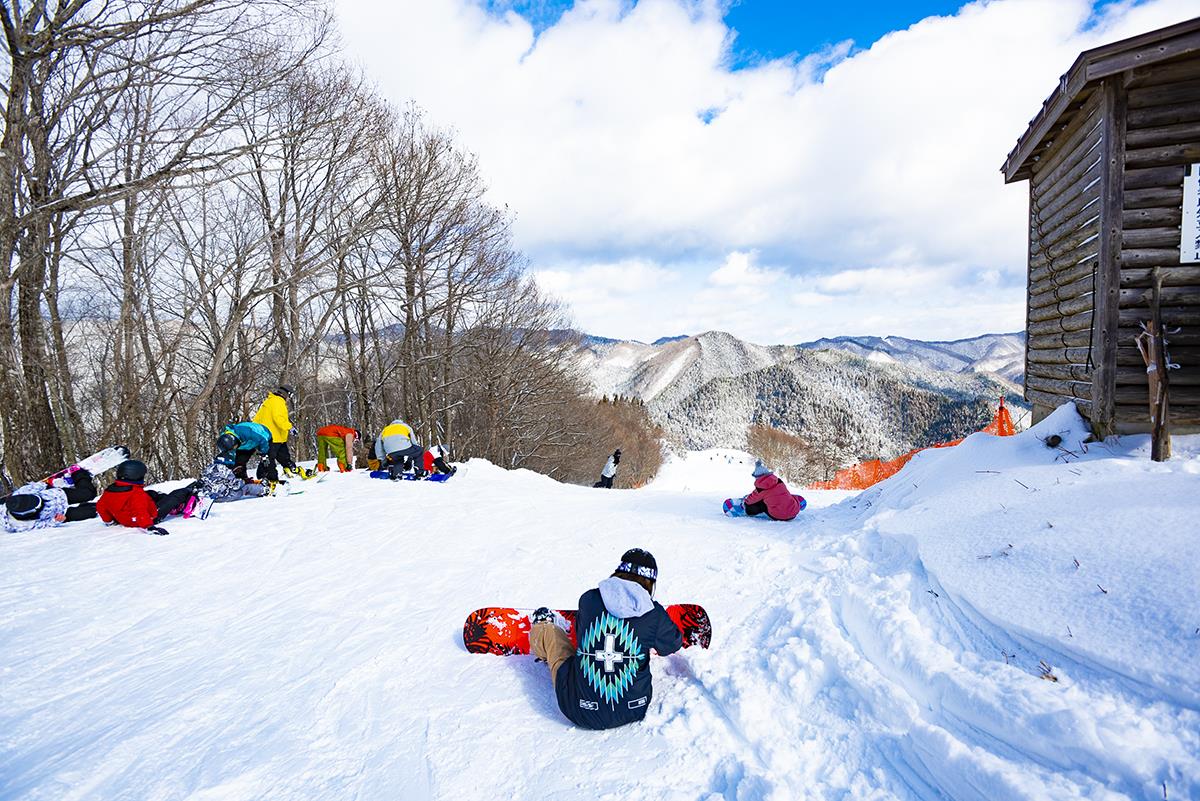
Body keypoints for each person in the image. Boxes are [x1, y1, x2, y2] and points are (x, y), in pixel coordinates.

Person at [530, 548, 682, 730]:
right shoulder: (654, 613)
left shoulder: (588, 599)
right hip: (634, 708)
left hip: (578, 708)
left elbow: (580, 635)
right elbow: (672, 644)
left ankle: (544, 626)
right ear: (650, 582)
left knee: (554, 637)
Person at [96, 460, 200, 534]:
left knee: (151, 494)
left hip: (126, 519)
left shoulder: (110, 490)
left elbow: (100, 506)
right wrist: (149, 527)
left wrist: (110, 521)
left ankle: (172, 504)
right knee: (180, 493)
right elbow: (139, 510)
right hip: (149, 517)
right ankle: (188, 502)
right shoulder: (136, 494)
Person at [1, 469, 100, 533]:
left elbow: (38, 486)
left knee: (88, 494)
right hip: (56, 515)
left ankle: (78, 473)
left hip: (56, 496)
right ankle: (97, 507)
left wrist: (49, 485)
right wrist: (55, 521)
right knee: (89, 513)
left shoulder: (21, 493)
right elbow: (41, 525)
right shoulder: (18, 524)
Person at [252, 384, 311, 480]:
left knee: (283, 457)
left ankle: (292, 470)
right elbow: (278, 418)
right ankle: (267, 479)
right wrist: (290, 427)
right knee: (269, 460)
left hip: (274, 437)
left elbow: (256, 419)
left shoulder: (269, 401)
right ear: (286, 394)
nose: (289, 398)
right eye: (290, 395)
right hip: (273, 437)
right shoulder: (278, 402)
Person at [198, 449, 271, 503]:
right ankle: (263, 489)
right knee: (246, 487)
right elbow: (235, 485)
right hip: (224, 497)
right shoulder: (225, 470)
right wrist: (244, 481)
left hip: (209, 496)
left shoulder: (209, 468)